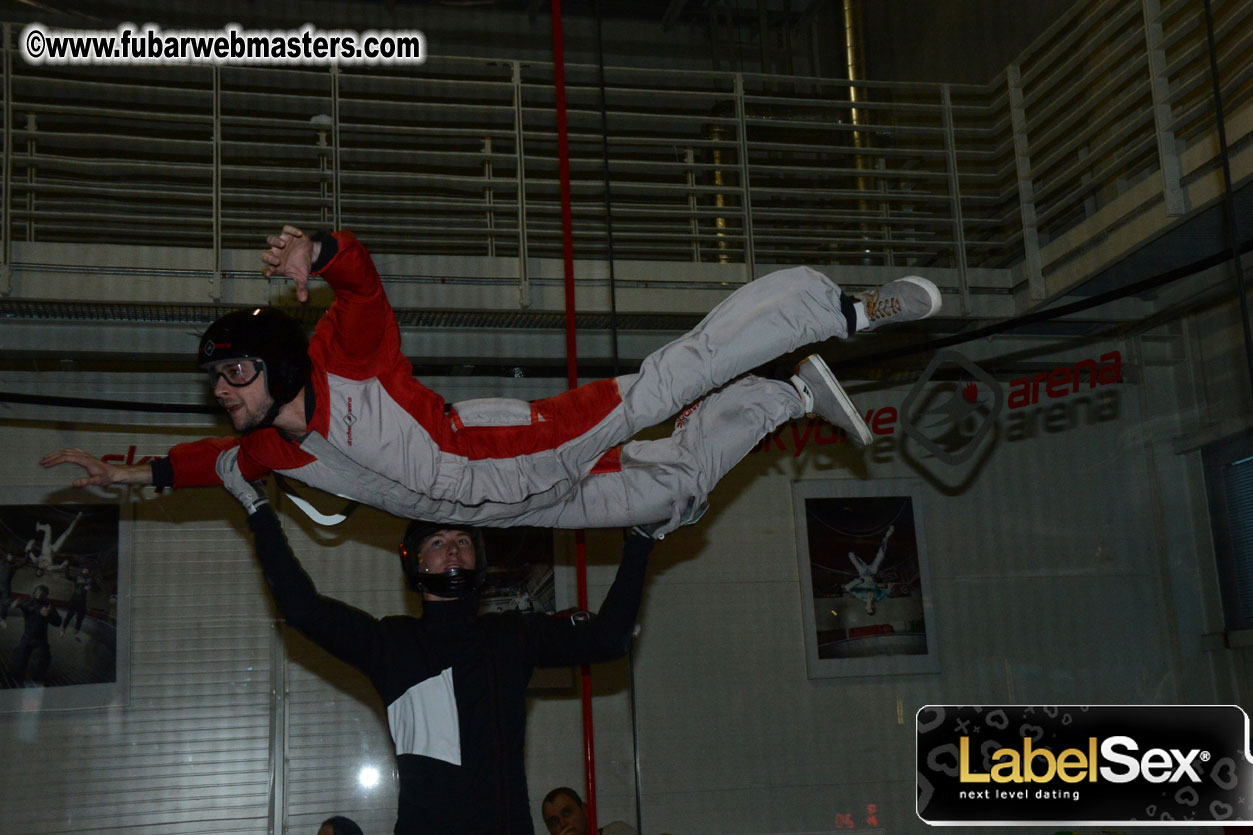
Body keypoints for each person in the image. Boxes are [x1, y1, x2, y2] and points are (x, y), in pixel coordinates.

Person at [42, 226, 941, 536]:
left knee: (671, 379)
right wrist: (136, 476)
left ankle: (843, 309)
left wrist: (319, 249)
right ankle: (789, 395)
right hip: (500, 512)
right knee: (670, 495)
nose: (223, 392)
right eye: (217, 382)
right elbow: (204, 464)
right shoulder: (271, 447)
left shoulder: (345, 357)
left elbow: (360, 281)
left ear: (275, 360)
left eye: (232, 373)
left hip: (510, 445)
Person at [219, 468, 653, 834]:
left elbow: (609, 640)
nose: (452, 549)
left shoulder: (513, 635)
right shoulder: (391, 644)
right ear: (417, 561)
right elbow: (303, 609)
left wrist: (641, 541)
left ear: (477, 559)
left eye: (462, 541)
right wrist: (259, 511)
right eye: (438, 541)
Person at [12, 584, 61, 685]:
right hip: (27, 637)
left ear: (46, 595)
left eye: (43, 593)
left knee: (43, 660)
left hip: (41, 640)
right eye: (38, 592)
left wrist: (48, 615)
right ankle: (16, 681)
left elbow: (58, 622)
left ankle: (37, 681)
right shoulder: (28, 602)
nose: (39, 594)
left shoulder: (49, 606)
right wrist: (14, 604)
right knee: (19, 660)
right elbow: (22, 605)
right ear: (34, 592)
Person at [540, 787, 637, 835]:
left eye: (566, 813)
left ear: (585, 810)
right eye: (554, 822)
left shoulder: (616, 831)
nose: (563, 824)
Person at [844, 524, 894, 615]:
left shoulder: (861, 596)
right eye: (872, 608)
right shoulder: (878, 598)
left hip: (862, 572)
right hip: (872, 572)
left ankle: (857, 539)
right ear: (875, 607)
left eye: (868, 608)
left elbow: (847, 588)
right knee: (881, 555)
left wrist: (861, 580)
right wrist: (890, 586)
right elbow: (887, 592)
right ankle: (887, 536)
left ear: (866, 607)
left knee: (851, 554)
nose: (870, 606)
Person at [61, 565, 99, 637]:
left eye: (87, 570)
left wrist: (91, 587)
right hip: (74, 600)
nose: (85, 571)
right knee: (69, 616)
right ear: (82, 571)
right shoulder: (78, 577)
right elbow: (68, 576)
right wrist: (67, 567)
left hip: (82, 601)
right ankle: (63, 629)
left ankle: (76, 630)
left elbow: (97, 589)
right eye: (84, 570)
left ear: (89, 572)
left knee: (80, 617)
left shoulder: (91, 580)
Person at [0, 552, 19, 626]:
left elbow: (24, 562)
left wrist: (28, 552)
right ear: (7, 556)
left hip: (6, 587)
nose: (11, 558)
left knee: (4, 603)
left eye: (12, 557)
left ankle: (2, 619)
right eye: (10, 556)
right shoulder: (1, 562)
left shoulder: (13, 566)